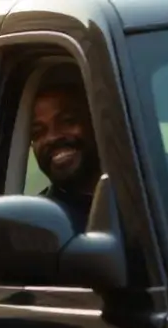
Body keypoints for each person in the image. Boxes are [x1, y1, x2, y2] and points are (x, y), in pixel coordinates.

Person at [30, 77, 101, 232]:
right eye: (37, 132)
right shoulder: (38, 223)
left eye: (67, 122)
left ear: (96, 122)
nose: (52, 137)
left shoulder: (150, 191)